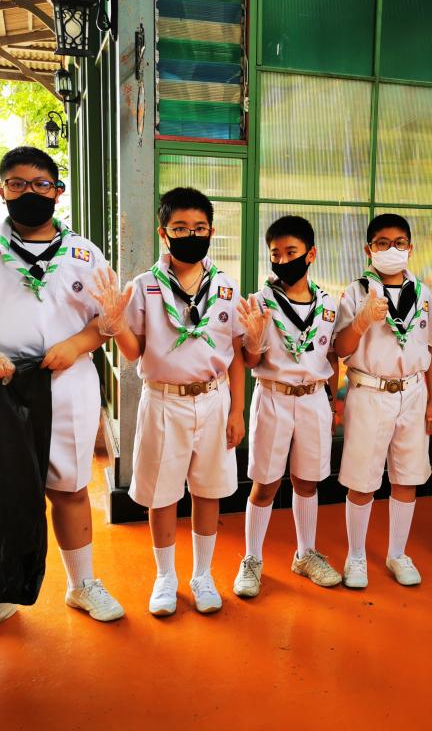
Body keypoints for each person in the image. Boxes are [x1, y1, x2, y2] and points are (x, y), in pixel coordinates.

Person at [0, 147, 124, 644]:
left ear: (57, 192)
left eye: (41, 183)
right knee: (1, 493)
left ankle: (82, 584)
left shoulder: (85, 253)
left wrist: (78, 343)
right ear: (2, 191)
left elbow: (105, 321)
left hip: (68, 382)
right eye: (18, 184)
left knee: (69, 488)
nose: (29, 192)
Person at [91, 187, 245, 616]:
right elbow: (133, 351)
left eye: (198, 228)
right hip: (163, 401)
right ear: (164, 233)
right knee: (162, 494)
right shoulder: (143, 286)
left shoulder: (227, 289)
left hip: (213, 400)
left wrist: (236, 411)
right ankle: (165, 576)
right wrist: (115, 323)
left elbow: (234, 354)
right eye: (180, 228)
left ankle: (202, 574)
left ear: (211, 231)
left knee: (209, 490)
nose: (190, 235)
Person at [231, 215, 343, 598]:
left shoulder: (330, 304)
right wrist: (255, 339)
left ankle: (305, 553)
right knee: (264, 484)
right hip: (273, 397)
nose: (282, 260)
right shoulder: (258, 303)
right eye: (275, 254)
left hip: (313, 399)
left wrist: (333, 400)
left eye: (291, 252)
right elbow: (248, 360)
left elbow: (333, 356)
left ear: (310, 254)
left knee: (307, 480)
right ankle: (252, 559)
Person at [333, 213, 432, 588]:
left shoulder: (424, 293)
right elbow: (340, 349)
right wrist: (362, 321)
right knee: (362, 481)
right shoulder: (356, 291)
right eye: (382, 243)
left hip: (413, 392)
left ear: (410, 248)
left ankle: (398, 553)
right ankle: (357, 556)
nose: (391, 249)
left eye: (399, 242)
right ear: (369, 250)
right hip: (369, 391)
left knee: (408, 477)